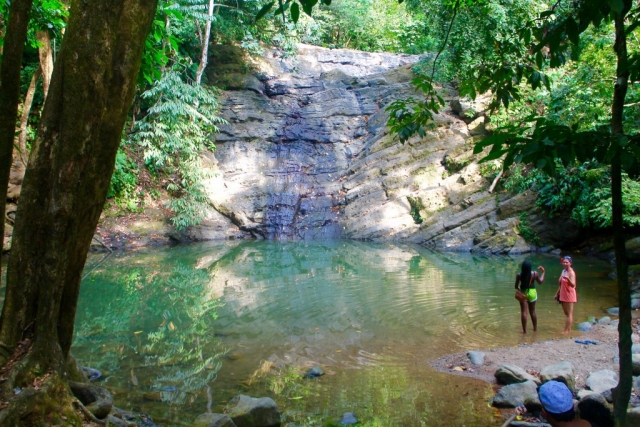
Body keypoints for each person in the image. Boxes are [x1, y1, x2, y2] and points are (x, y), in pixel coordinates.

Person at [515, 260, 545, 333]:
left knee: (524, 312)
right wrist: (543, 272)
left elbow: (516, 286)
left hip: (523, 293)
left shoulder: (519, 275)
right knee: (532, 312)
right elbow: (540, 281)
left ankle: (524, 331)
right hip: (532, 293)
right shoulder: (535, 274)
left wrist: (520, 289)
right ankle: (535, 329)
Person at [556, 255, 577, 334]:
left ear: (570, 263)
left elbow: (573, 285)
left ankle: (566, 331)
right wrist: (557, 294)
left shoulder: (571, 272)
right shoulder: (563, 271)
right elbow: (561, 284)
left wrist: (568, 279)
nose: (565, 263)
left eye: (566, 262)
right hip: (563, 293)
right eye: (564, 262)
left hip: (569, 294)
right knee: (566, 313)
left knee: (569, 313)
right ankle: (569, 329)